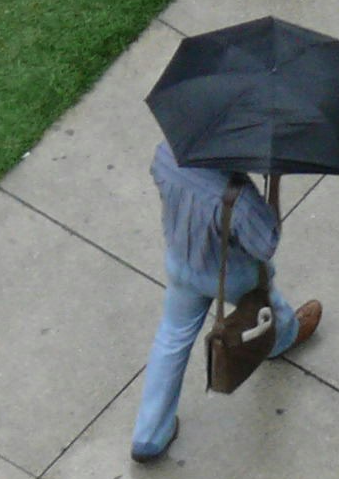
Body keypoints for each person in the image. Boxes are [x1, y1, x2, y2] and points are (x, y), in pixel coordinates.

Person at [134, 137, 320, 462]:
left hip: (180, 263)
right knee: (265, 306)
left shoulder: (166, 154)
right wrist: (274, 188)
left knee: (172, 338)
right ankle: (282, 339)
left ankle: (149, 436)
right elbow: (266, 245)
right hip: (231, 276)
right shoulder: (240, 199)